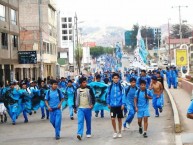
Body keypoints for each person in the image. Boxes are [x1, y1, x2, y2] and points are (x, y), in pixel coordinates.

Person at [106, 73, 125, 138]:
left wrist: (123, 104)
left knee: (119, 119)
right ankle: (115, 131)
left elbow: (123, 95)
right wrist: (108, 103)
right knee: (113, 119)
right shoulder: (110, 86)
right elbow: (108, 95)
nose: (116, 79)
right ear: (112, 79)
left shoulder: (121, 86)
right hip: (112, 106)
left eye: (117, 78)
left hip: (119, 105)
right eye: (114, 78)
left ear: (118, 79)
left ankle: (119, 132)